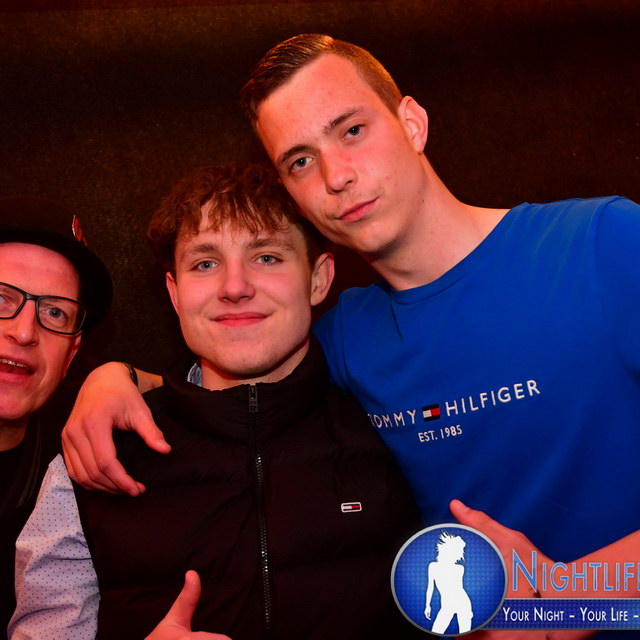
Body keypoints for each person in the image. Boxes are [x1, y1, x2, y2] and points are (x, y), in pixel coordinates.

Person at [61, 35, 640, 638]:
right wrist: (113, 379)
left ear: (412, 122)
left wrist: (567, 605)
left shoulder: (603, 244)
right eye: (300, 161)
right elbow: (239, 381)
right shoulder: (347, 336)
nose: (335, 176)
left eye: (352, 131)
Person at [10, 164, 422, 640]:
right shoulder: (93, 457)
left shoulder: (398, 431)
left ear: (318, 278)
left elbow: (483, 596)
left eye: (266, 256)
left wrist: (506, 620)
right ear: (174, 294)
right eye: (205, 264)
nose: (234, 287)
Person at [0, 195, 112, 634]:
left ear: (71, 355)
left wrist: (125, 379)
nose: (25, 331)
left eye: (53, 312)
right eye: (0, 298)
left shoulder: (78, 480)